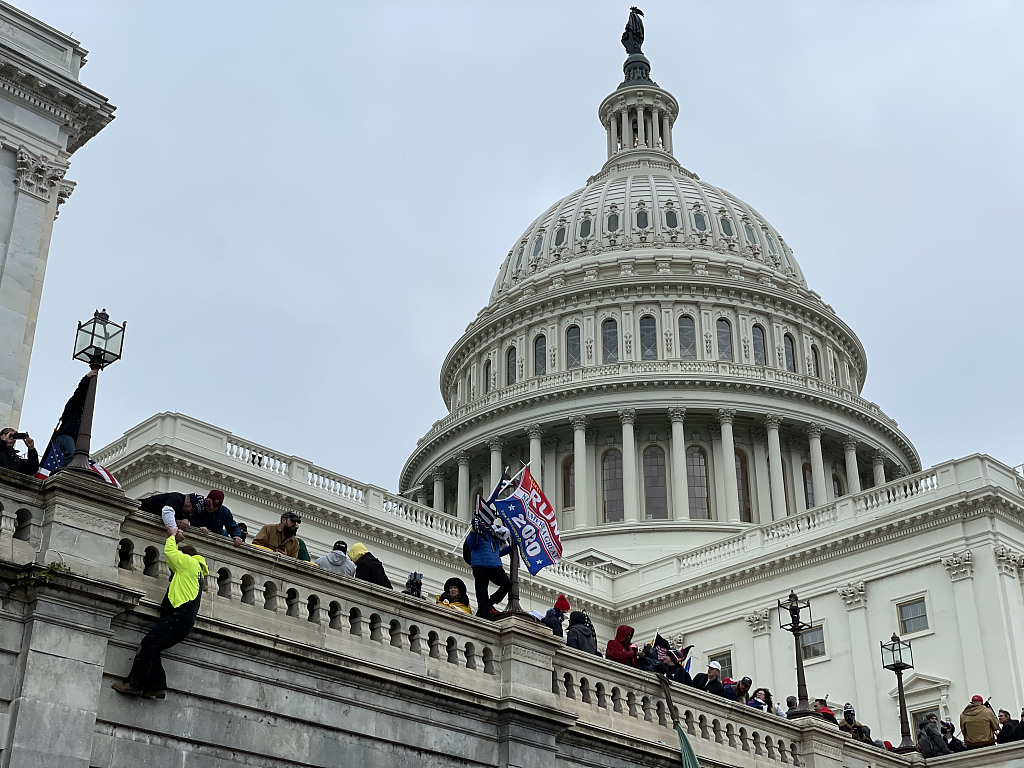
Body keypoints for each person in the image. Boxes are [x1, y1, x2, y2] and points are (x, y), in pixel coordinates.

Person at [112, 534, 208, 698]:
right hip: (182, 620)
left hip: (178, 617)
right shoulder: (195, 573)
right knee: (153, 647)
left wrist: (173, 537)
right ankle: (156, 686)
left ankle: (135, 684)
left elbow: (170, 552)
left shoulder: (190, 563)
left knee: (148, 645)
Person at [465, 516, 512, 618]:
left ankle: (489, 603)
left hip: (494, 565)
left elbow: (496, 552)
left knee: (507, 583)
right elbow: (471, 544)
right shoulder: (478, 532)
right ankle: (483, 611)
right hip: (480, 565)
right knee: (482, 590)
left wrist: (510, 549)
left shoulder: (494, 535)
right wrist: (474, 531)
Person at [49, 370, 96, 464]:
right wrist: (86, 378)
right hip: (65, 435)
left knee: (75, 457)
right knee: (71, 454)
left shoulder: (82, 414)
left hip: (71, 437)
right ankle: (65, 471)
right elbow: (78, 394)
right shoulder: (72, 406)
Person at [138, 492, 203, 533]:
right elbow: (167, 512)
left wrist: (186, 520)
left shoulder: (184, 509)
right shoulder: (177, 499)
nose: (190, 513)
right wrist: (174, 531)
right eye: (192, 510)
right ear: (188, 502)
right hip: (140, 511)